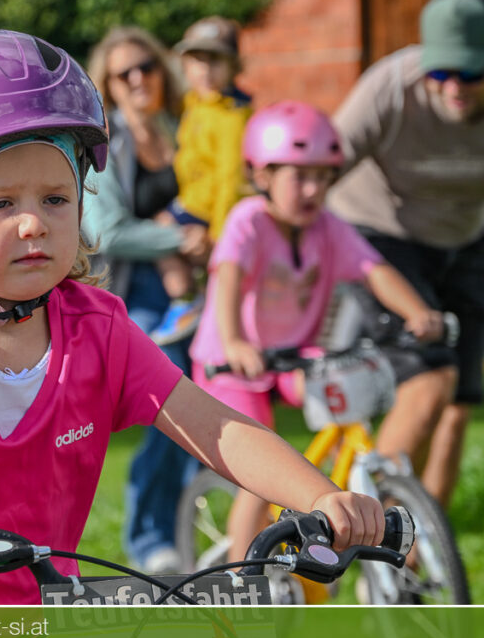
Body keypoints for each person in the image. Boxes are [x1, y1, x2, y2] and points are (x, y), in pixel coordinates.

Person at [0, 30, 386, 605]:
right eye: (1, 203)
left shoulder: (99, 330)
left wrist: (320, 495)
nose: (34, 223)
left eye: (56, 198)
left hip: (48, 613)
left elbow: (217, 429)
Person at [188, 101, 445, 560]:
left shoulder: (329, 227)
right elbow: (227, 276)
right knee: (258, 468)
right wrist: (236, 342)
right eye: (299, 177)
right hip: (231, 362)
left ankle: (327, 508)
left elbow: (374, 270)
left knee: (344, 400)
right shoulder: (249, 219)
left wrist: (418, 312)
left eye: (323, 178)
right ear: (262, 175)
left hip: (295, 357)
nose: (313, 189)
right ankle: (243, 583)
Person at [328, 0, 484, 510]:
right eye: (442, 73)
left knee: (459, 400)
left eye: (471, 73)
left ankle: (426, 541)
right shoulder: (391, 88)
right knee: (430, 376)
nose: (455, 87)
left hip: (466, 239)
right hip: (380, 236)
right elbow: (320, 170)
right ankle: (368, 523)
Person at [82, 25, 202, 574]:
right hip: (135, 292)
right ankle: (150, 536)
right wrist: (175, 241)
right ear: (106, 85)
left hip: (204, 285)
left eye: (145, 67)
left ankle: (192, 522)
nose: (137, 79)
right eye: (122, 73)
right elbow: (104, 230)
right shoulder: (107, 146)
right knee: (171, 390)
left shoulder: (185, 129)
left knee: (221, 391)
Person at [152, 16, 254, 345]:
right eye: (197, 60)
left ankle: (185, 299)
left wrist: (219, 236)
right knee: (158, 229)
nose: (205, 70)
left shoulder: (232, 115)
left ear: (234, 66)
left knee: (158, 232)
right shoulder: (194, 103)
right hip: (191, 200)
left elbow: (231, 179)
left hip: (211, 211)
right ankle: (192, 294)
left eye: (215, 61)